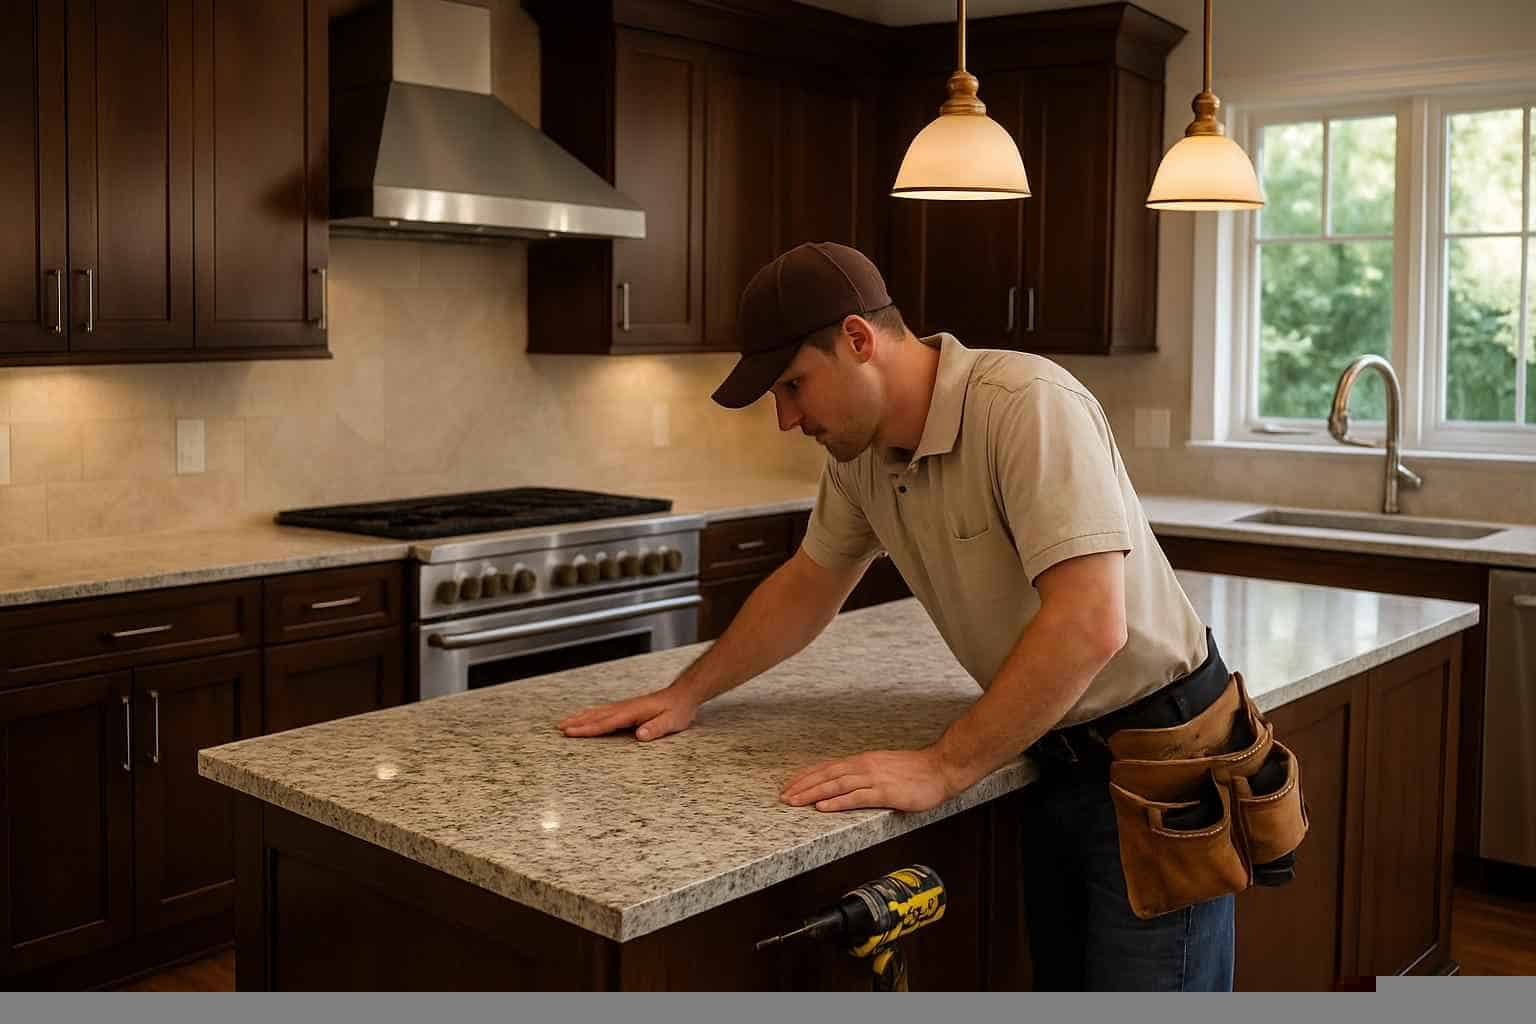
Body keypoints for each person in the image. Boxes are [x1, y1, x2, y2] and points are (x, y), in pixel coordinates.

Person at [557, 242, 1234, 991]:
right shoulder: (860, 455)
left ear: (857, 339)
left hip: (1162, 758)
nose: (786, 418)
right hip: (1050, 746)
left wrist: (943, 767)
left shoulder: (1026, 404)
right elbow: (809, 583)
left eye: (792, 386)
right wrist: (689, 691)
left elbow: (1089, 624)